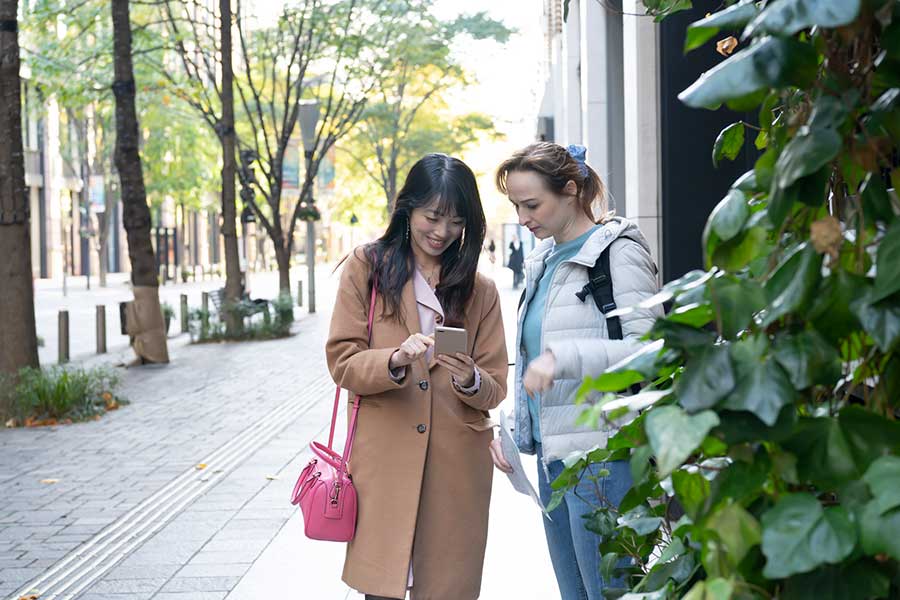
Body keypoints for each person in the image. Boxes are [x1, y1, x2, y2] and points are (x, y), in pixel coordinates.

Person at [326, 153, 509, 600]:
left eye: (455, 221)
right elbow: (342, 362)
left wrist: (470, 379)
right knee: (382, 587)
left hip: (456, 468)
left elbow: (495, 384)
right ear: (408, 207)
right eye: (433, 216)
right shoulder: (367, 268)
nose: (442, 232)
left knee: (446, 588)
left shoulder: (479, 289)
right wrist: (393, 360)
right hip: (384, 459)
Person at [490, 142, 662, 600]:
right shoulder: (543, 263)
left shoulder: (617, 253)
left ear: (570, 190)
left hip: (604, 456)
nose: (524, 218)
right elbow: (532, 359)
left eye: (532, 204)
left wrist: (564, 359)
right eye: (516, 206)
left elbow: (648, 351)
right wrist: (510, 427)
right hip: (553, 460)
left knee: (611, 592)